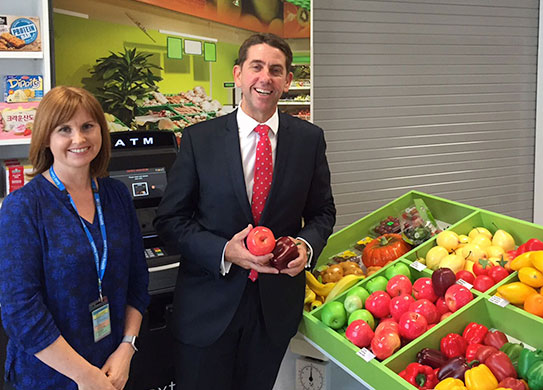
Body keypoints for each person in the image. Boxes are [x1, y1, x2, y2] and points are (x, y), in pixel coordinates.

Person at [154, 33, 336, 389]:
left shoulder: (308, 140)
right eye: (256, 67)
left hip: (273, 311)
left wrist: (306, 246)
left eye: (275, 70)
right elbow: (170, 221)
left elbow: (322, 212)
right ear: (238, 74)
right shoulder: (198, 140)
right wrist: (224, 251)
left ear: (287, 81)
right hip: (208, 307)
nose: (265, 78)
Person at [0, 86, 150, 390]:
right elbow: (20, 312)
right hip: (49, 375)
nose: (79, 139)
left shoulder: (116, 195)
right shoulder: (24, 207)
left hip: (112, 367)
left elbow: (138, 281)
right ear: (46, 137)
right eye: (64, 129)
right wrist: (85, 376)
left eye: (87, 126)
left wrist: (127, 347)